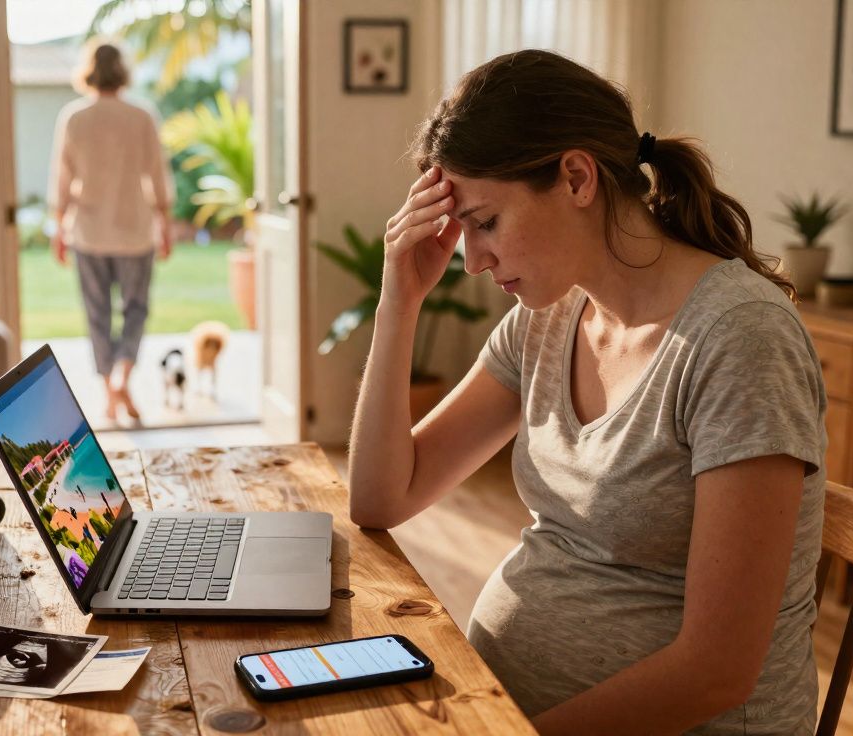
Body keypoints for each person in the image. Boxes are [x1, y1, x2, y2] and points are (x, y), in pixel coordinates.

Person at [348, 50, 826, 735]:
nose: (472, 260)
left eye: (485, 221)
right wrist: (399, 301)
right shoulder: (549, 318)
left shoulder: (740, 338)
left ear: (576, 177)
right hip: (500, 713)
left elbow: (717, 671)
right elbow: (381, 498)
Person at [49, 41, 174, 422]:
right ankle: (122, 375)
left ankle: (109, 393)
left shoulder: (74, 117)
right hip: (135, 231)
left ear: (89, 71)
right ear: (122, 72)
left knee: (97, 313)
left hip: (88, 233)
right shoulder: (141, 116)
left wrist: (59, 227)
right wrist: (165, 223)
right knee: (136, 310)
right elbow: (157, 175)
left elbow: (62, 179)